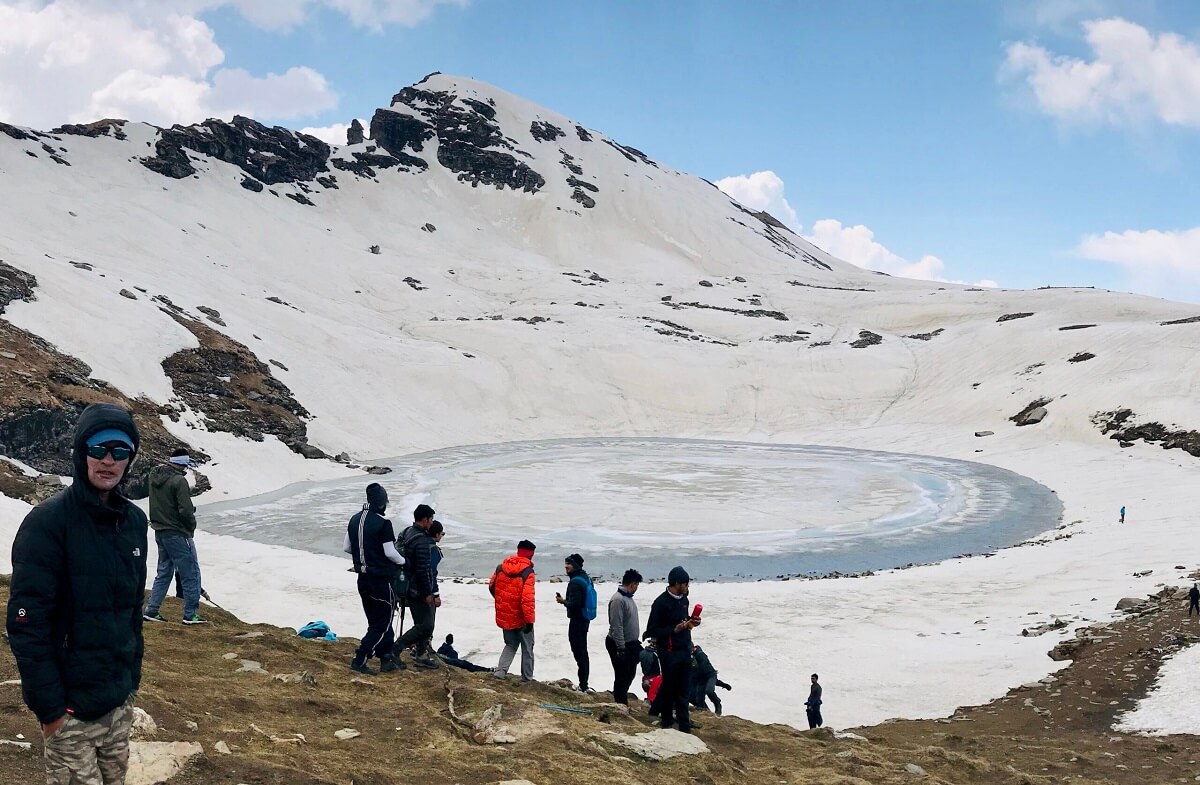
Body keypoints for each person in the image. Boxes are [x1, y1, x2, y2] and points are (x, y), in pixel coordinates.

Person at [7, 403, 149, 785]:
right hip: (69, 711)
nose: (108, 461)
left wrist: (131, 682)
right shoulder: (49, 522)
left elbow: (132, 611)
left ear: (129, 459)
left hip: (118, 702)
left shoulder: (134, 522)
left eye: (120, 452)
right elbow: (26, 625)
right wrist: (52, 711)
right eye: (98, 449)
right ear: (80, 453)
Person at [343, 483, 405, 674]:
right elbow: (390, 552)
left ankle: (385, 657)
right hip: (380, 580)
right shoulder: (383, 523)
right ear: (381, 503)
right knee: (383, 623)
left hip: (362, 579)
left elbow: (347, 547)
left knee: (375, 620)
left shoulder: (354, 520)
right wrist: (403, 561)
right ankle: (360, 658)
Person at [141, 448, 206, 625]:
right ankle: (190, 614)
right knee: (190, 572)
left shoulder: (155, 477)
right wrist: (191, 526)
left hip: (160, 531)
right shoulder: (179, 481)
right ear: (184, 463)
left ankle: (151, 610)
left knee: (164, 572)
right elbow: (185, 510)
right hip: (177, 533)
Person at [644, 566, 700, 732]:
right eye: (685, 584)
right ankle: (666, 720)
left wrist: (692, 622)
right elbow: (652, 630)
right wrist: (673, 630)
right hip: (667, 651)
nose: (688, 587)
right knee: (669, 686)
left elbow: (683, 621)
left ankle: (684, 724)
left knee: (684, 687)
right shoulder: (660, 603)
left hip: (684, 648)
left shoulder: (684, 599)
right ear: (676, 583)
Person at [391, 504, 440, 669]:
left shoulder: (406, 532)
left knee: (421, 622)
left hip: (404, 584)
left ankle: (421, 654)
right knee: (426, 625)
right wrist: (429, 592)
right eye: (431, 519)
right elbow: (423, 570)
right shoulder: (422, 540)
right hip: (417, 589)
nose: (432, 523)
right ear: (425, 519)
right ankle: (396, 649)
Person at [489, 539, 537, 681]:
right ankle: (527, 678)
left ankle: (500, 672)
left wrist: (504, 601)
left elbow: (492, 586)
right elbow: (527, 599)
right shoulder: (528, 571)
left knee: (510, 644)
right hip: (521, 616)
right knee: (527, 647)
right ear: (531, 555)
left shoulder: (501, 567)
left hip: (505, 614)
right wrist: (530, 621)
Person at [605, 568, 643, 704]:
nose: (637, 588)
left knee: (630, 673)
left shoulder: (628, 599)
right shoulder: (618, 600)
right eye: (637, 585)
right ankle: (620, 702)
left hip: (631, 643)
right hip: (619, 643)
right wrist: (621, 648)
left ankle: (622, 699)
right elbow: (617, 625)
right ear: (632, 584)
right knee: (622, 675)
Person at [556, 552, 593, 692]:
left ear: (575, 565)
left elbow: (575, 605)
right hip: (585, 619)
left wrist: (563, 601)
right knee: (583, 651)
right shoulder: (586, 578)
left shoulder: (575, 582)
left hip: (577, 621)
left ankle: (583, 686)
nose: (566, 566)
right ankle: (584, 684)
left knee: (579, 652)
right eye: (565, 563)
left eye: (569, 564)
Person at [689, 644, 731, 715]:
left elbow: (704, 671)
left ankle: (717, 704)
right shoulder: (689, 657)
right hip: (700, 680)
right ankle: (707, 712)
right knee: (698, 700)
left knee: (709, 691)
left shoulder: (701, 655)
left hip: (710, 676)